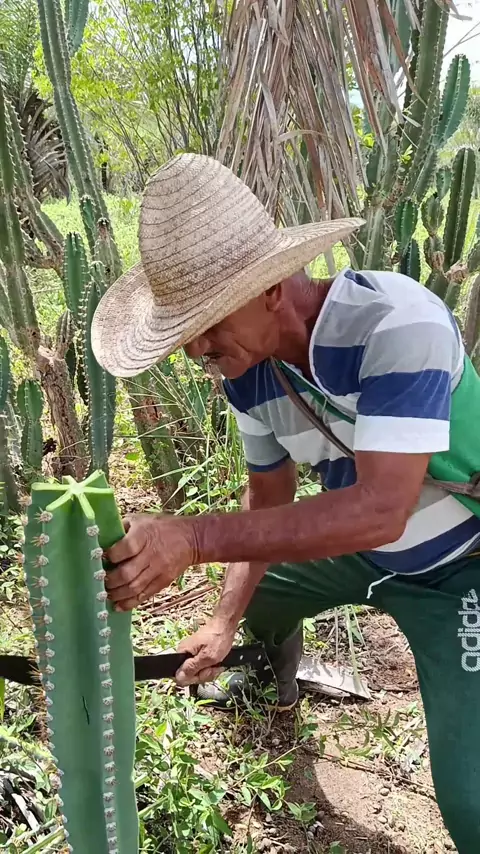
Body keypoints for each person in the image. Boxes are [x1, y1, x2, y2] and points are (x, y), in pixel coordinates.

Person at [92, 153, 480, 852]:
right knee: (260, 602)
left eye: (210, 320)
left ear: (272, 287)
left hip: (458, 566)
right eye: (185, 330)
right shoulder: (247, 371)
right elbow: (267, 496)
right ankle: (271, 679)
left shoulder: (398, 325)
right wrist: (221, 621)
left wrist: (193, 538)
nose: (197, 347)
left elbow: (380, 510)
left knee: (472, 800)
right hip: (357, 553)